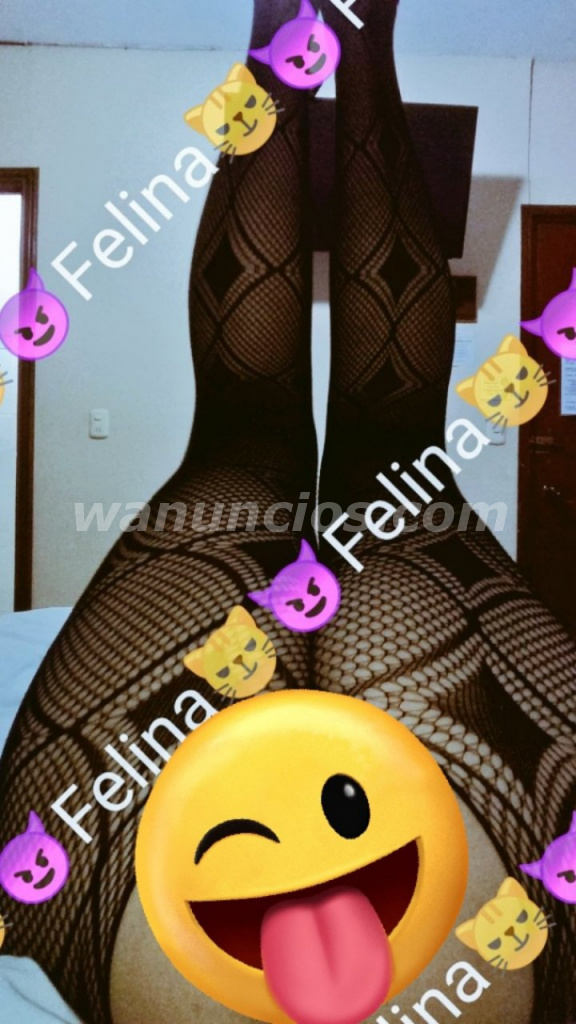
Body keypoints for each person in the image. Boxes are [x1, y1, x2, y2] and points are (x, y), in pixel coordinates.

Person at [0, 1, 574, 1022]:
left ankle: (320, 31)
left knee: (283, 438)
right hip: (491, 913)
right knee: (334, 441)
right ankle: (333, 32)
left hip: (140, 911)